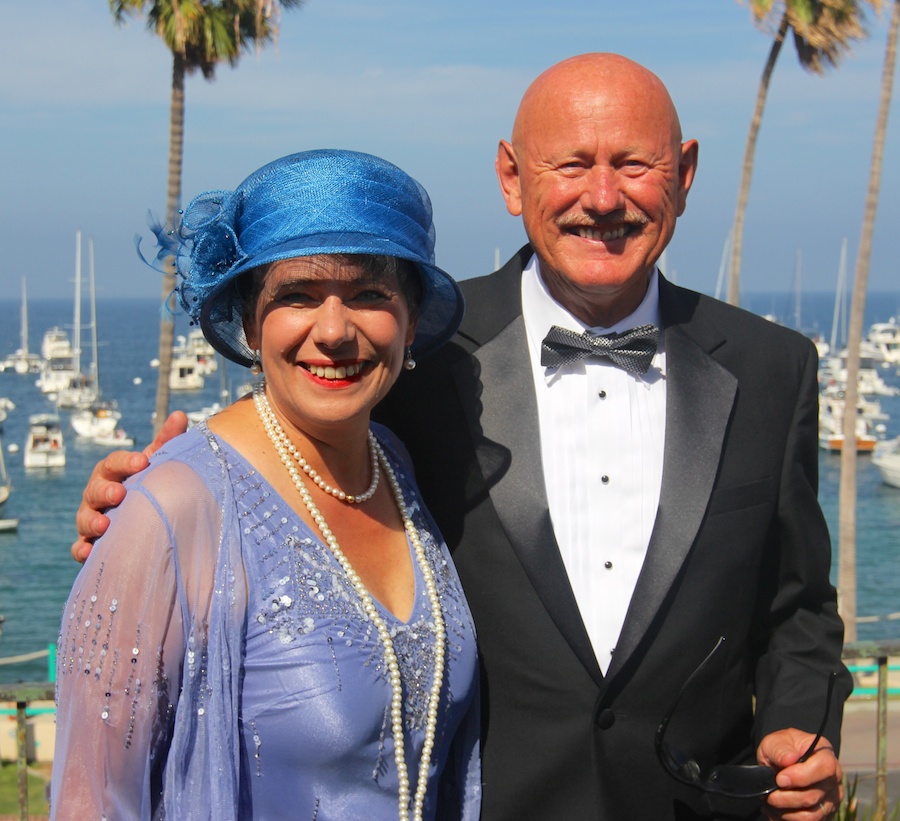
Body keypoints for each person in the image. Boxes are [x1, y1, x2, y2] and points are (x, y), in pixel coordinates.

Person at [73, 55, 852, 821]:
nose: (603, 196)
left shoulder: (774, 368)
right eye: (571, 163)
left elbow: (799, 608)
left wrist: (798, 727)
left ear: (683, 173)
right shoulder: (416, 363)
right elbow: (272, 460)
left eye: (635, 163)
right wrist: (140, 508)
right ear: (512, 178)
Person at [53, 149, 481, 820]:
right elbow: (89, 798)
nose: (335, 329)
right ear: (251, 321)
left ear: (409, 317)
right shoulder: (173, 507)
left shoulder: (396, 462)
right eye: (297, 295)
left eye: (371, 293)